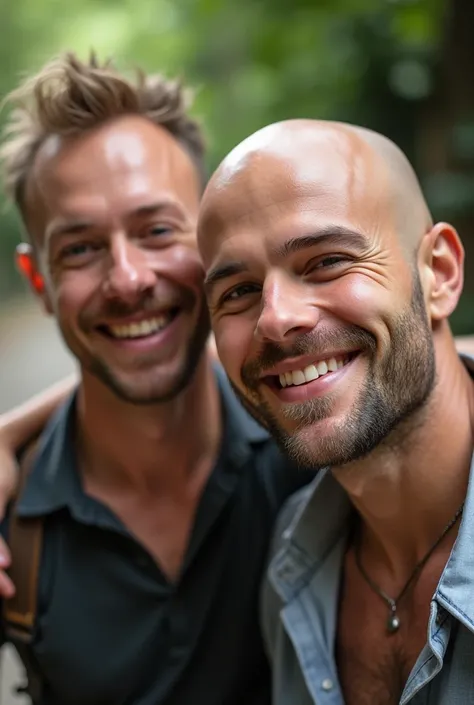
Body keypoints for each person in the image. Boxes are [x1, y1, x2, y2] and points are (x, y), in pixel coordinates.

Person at [0, 54, 309, 705]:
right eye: (80, 247)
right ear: (40, 283)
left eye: (157, 230)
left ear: (215, 240)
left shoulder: (314, 439)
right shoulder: (14, 520)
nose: (129, 278)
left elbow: (419, 367)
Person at [196, 118, 474, 704]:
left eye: (325, 262)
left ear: (440, 274)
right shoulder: (290, 566)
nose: (274, 318)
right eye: (238, 292)